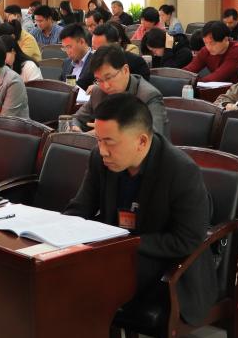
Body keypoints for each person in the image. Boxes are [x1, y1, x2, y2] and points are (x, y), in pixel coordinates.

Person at [64, 93, 216, 325]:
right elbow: (80, 207)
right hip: (118, 253)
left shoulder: (180, 170)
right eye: (98, 140)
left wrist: (126, 244)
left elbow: (186, 240)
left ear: (142, 141)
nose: (102, 150)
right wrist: (58, 233)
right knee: (59, 274)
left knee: (89, 286)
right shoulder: (99, 159)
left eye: (109, 142)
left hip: (163, 262)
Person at [72, 46, 168, 136]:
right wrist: (75, 128)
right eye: (99, 80)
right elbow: (77, 119)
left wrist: (109, 132)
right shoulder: (98, 91)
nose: (105, 86)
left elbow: (153, 136)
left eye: (109, 77)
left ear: (125, 70)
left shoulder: (148, 96)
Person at [59, 23, 94, 91]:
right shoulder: (67, 62)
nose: (67, 52)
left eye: (69, 47)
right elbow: (61, 87)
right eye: (64, 48)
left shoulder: (97, 61)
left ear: (81, 42)